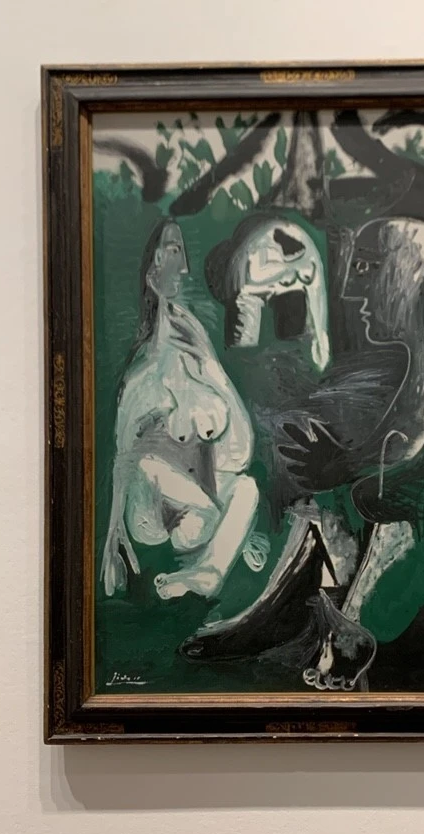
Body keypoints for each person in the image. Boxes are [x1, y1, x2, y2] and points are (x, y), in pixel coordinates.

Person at [100, 218, 258, 601]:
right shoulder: (142, 372)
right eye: (175, 251)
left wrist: (213, 369)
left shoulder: (195, 348)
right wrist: (112, 538)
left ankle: (208, 572)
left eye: (183, 253)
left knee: (247, 488)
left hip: (197, 515)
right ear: (153, 263)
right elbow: (123, 457)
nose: (185, 267)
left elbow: (239, 452)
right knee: (145, 463)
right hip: (151, 515)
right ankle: (222, 536)